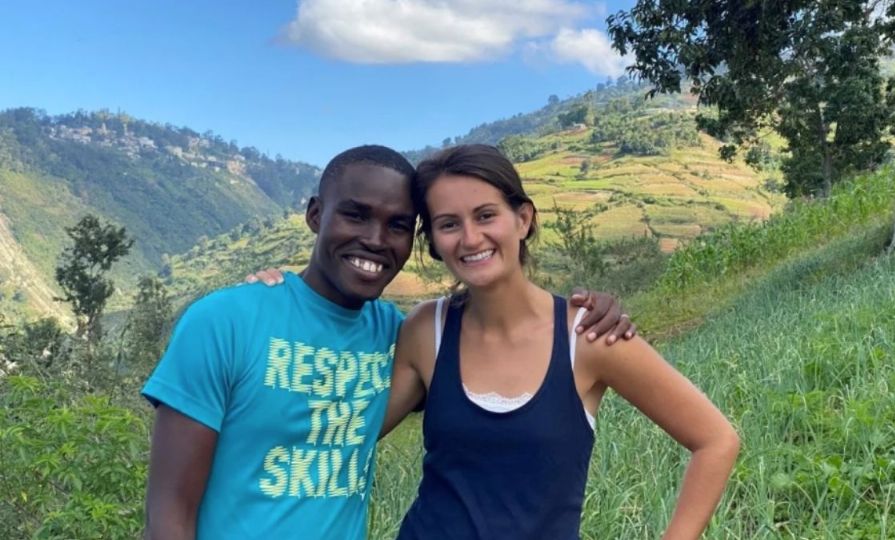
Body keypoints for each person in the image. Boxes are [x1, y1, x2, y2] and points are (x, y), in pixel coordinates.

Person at [142, 144, 634, 540]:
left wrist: (590, 314)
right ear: (316, 215)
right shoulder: (223, 321)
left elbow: (495, 364)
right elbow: (169, 515)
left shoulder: (397, 334)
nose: (376, 240)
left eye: (398, 225)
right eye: (355, 216)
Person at [379, 144, 740, 540]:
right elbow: (354, 431)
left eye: (485, 215)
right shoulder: (427, 329)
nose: (470, 237)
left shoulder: (588, 337)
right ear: (432, 239)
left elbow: (715, 440)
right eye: (448, 224)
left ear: (522, 219)